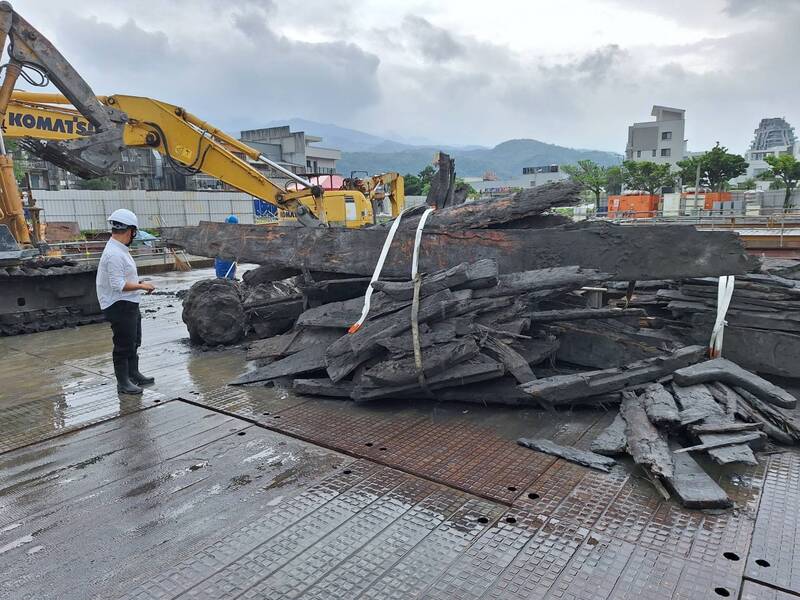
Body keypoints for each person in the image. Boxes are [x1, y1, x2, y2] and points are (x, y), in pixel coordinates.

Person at [96, 209, 156, 394]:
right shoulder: (114, 254)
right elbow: (118, 285)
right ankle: (123, 382)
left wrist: (138, 283)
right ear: (131, 231)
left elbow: (123, 278)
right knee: (123, 344)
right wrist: (142, 286)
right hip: (119, 304)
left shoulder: (119, 249)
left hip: (128, 302)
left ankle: (133, 373)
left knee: (134, 340)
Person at [214, 214, 239, 279]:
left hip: (224, 259)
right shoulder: (226, 234)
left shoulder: (222, 232)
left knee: (228, 267)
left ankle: (229, 277)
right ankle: (226, 277)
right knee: (225, 267)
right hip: (224, 258)